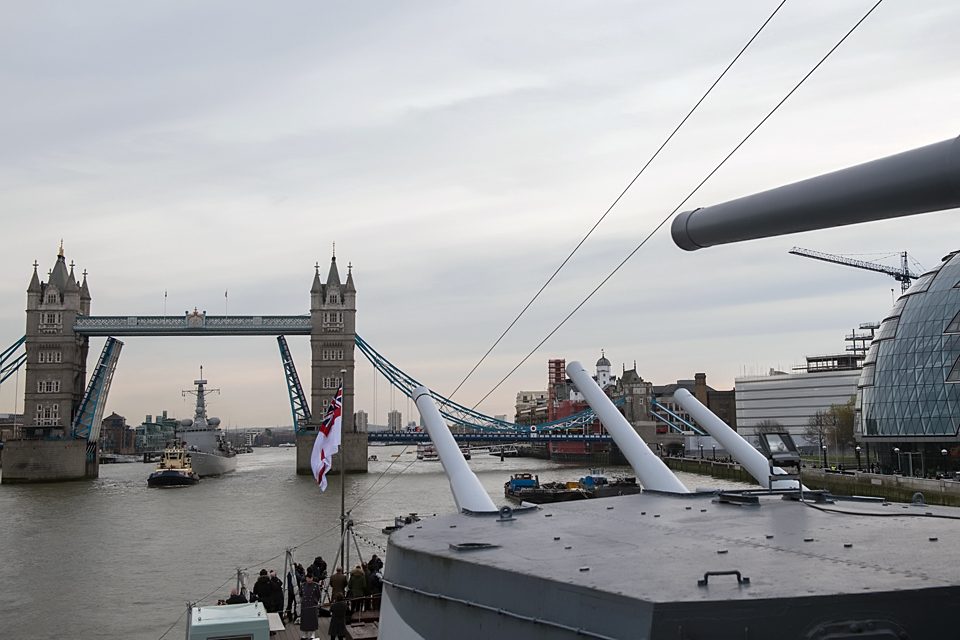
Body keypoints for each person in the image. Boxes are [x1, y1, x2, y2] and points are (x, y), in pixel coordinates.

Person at [299, 573, 323, 640]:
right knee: (305, 620)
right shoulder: (302, 586)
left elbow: (318, 594)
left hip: (312, 604)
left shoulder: (316, 586)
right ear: (306, 578)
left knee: (313, 619)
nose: (310, 579)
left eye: (311, 578)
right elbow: (301, 594)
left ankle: (313, 634)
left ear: (312, 578)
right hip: (305, 605)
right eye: (308, 578)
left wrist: (316, 601)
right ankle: (305, 634)